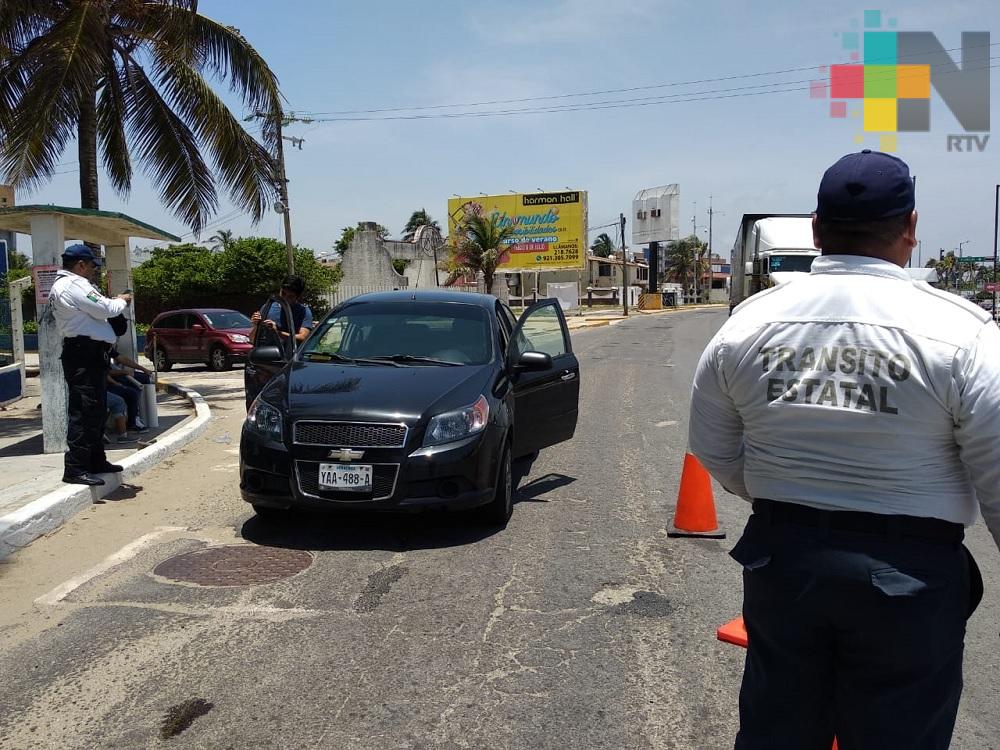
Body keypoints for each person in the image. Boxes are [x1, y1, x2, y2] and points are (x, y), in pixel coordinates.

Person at [688, 150, 1000, 749]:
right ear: (910, 227)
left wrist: (786, 489)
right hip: (911, 578)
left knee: (777, 730)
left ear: (816, 228)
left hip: (784, 562)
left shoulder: (747, 325)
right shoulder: (961, 333)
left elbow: (715, 451)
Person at [48, 244, 132, 486]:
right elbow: (105, 308)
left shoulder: (68, 285)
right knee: (84, 412)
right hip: (83, 355)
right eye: (93, 266)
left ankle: (96, 460)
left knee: (95, 410)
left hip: (91, 355)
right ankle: (75, 468)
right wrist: (121, 300)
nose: (94, 271)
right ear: (81, 265)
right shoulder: (74, 285)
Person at [249, 274, 313, 344]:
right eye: (283, 293)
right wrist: (255, 325)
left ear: (298, 297)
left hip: (288, 354)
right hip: (267, 352)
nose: (285, 298)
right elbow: (252, 340)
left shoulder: (303, 312)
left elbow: (303, 338)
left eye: (290, 296)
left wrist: (277, 332)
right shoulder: (267, 307)